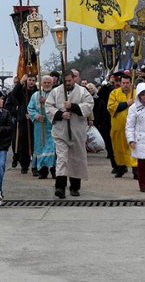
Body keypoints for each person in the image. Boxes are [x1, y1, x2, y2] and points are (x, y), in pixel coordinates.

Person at [45, 70, 94, 199]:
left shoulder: (83, 91)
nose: (67, 83)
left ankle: (75, 187)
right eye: (65, 81)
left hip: (77, 131)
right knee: (62, 159)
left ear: (74, 79)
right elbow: (48, 107)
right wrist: (60, 114)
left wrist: (73, 107)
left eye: (69, 81)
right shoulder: (55, 92)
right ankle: (60, 187)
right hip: (61, 132)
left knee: (76, 159)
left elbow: (89, 106)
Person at [107, 75, 138, 179]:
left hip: (133, 127)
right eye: (123, 83)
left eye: (127, 83)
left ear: (130, 83)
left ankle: (136, 169)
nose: (125, 85)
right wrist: (126, 103)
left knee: (133, 148)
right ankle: (120, 168)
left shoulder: (136, 93)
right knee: (118, 148)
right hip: (118, 127)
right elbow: (111, 107)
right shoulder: (114, 93)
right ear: (120, 83)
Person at [9, 73, 39, 175]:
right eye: (29, 80)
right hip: (23, 120)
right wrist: (20, 82)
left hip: (34, 120)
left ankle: (35, 166)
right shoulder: (21, 90)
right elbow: (13, 94)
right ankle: (24, 165)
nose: (31, 82)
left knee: (35, 144)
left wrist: (33, 115)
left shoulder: (38, 92)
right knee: (23, 144)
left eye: (33, 80)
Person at [27, 75, 57, 179]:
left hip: (53, 125)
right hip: (40, 126)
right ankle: (42, 171)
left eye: (49, 82)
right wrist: (36, 115)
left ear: (52, 83)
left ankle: (54, 170)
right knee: (41, 147)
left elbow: (60, 107)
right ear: (41, 84)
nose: (47, 84)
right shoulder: (35, 95)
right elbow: (30, 108)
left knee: (53, 147)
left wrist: (46, 102)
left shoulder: (56, 94)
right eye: (45, 83)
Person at [94, 75, 118, 173]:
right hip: (106, 121)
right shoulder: (106, 90)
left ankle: (119, 164)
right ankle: (116, 165)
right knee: (109, 144)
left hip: (115, 120)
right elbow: (98, 98)